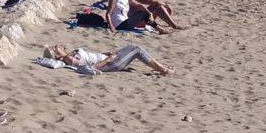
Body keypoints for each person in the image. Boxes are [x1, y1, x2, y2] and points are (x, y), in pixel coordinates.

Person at [44, 43, 173, 76]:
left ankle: (162, 66)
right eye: (55, 47)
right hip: (109, 64)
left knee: (134, 48)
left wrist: (104, 54)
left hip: (107, 58)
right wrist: (108, 59)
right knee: (136, 49)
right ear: (57, 54)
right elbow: (91, 68)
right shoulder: (69, 60)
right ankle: (162, 69)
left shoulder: (71, 54)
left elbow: (91, 57)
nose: (58, 45)